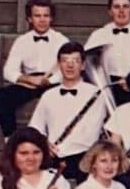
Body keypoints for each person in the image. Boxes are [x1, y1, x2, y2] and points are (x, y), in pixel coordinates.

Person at [28, 42, 107, 181]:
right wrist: (45, 143)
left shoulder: (96, 94)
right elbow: (35, 127)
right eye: (65, 61)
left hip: (83, 157)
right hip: (53, 156)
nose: (70, 65)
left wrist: (62, 150)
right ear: (59, 65)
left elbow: (91, 132)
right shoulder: (48, 95)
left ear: (83, 65)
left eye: (75, 61)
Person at [0, 0, 67, 137]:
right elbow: (8, 71)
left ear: (51, 18)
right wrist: (28, 80)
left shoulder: (61, 40)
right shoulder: (22, 41)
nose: (42, 20)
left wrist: (49, 81)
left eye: (46, 15)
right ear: (29, 19)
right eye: (37, 15)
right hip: (29, 83)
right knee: (3, 96)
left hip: (54, 82)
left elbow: (66, 69)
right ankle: (11, 139)